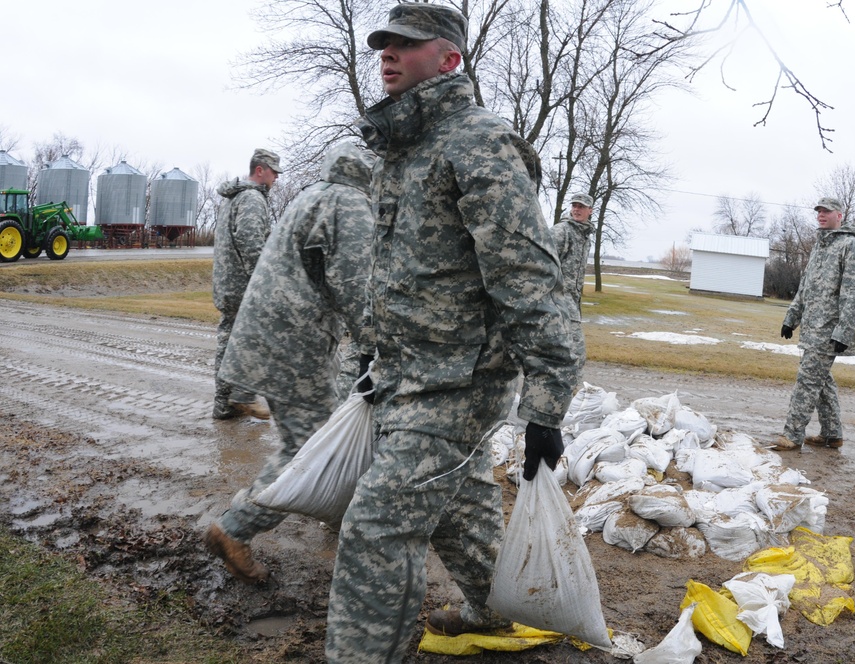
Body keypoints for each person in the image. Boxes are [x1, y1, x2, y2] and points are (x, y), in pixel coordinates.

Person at [325, 4, 584, 662]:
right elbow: (400, 273)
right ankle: (495, 615)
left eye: (406, 45)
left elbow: (528, 279)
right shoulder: (402, 151)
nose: (387, 53)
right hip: (407, 375)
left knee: (378, 529)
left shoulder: (478, 142)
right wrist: (372, 356)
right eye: (383, 42)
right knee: (459, 508)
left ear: (448, 59)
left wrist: (547, 405)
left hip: (457, 384)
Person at [204, 142, 374, 582]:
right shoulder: (351, 204)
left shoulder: (313, 195)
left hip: (274, 337)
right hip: (294, 347)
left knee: (330, 425)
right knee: (310, 448)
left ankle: (340, 514)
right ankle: (235, 528)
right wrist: (376, 343)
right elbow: (356, 284)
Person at [774, 197, 855, 452]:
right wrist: (791, 318)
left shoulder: (850, 246)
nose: (821, 215)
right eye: (818, 211)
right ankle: (831, 434)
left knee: (807, 382)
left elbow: (854, 294)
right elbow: (806, 286)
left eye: (826, 211)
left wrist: (844, 331)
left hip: (829, 331)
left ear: (840, 215)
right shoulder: (820, 247)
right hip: (811, 328)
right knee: (822, 382)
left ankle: (792, 435)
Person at [211, 148, 282, 420]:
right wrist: (263, 284)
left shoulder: (233, 197)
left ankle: (225, 404)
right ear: (260, 170)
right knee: (255, 338)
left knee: (229, 342)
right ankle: (243, 396)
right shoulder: (252, 198)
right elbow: (252, 244)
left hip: (228, 283)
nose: (276, 177)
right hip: (244, 285)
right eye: (273, 171)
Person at [551, 192, 595, 312]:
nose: (576, 209)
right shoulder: (561, 231)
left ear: (590, 210)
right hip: (556, 301)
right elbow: (545, 264)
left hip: (573, 300)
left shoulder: (586, 237)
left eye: (581, 206)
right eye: (574, 206)